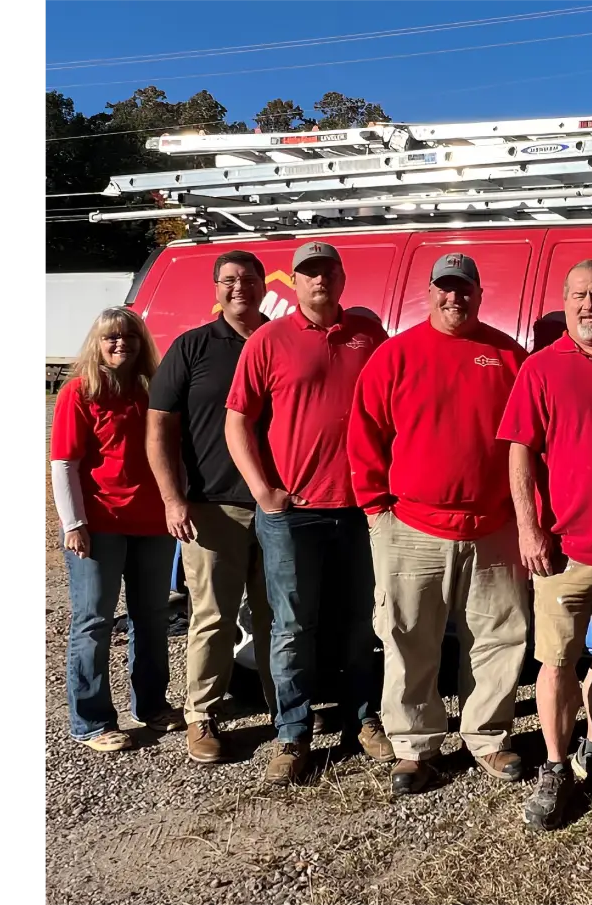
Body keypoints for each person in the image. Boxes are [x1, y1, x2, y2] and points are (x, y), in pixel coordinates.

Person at [349, 252, 532, 794]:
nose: (455, 298)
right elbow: (365, 433)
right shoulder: (395, 355)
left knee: (499, 638)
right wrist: (376, 508)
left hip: (493, 526)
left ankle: (489, 738)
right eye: (445, 289)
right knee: (409, 639)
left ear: (479, 293)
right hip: (411, 526)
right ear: (429, 293)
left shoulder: (505, 355)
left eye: (465, 288)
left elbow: (528, 439)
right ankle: (413, 746)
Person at [225, 241, 395, 782]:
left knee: (358, 623)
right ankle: (293, 735)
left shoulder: (370, 336)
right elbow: (237, 422)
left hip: (361, 509)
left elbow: (399, 409)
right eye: (308, 274)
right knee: (294, 626)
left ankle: (365, 721)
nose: (319, 281)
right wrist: (263, 490)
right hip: (293, 513)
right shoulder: (268, 341)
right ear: (293, 283)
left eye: (328, 272)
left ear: (343, 279)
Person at [497, 261, 592, 829]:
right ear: (564, 302)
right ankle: (557, 768)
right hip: (565, 549)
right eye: (580, 295)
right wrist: (528, 527)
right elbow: (518, 451)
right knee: (558, 661)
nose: (591, 306)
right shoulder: (541, 368)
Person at [147, 249, 280, 764]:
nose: (239, 288)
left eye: (248, 279)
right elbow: (158, 428)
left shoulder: (280, 341)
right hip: (212, 509)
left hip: (281, 506)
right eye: (229, 280)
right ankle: (202, 715)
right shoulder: (193, 347)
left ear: (264, 285)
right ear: (216, 289)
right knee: (213, 618)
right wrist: (171, 498)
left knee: (279, 618)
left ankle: (285, 710)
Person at [51, 306, 182, 752]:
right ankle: (91, 721)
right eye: (111, 337)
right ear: (97, 343)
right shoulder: (79, 393)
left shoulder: (153, 390)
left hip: (152, 525)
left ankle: (151, 704)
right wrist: (74, 524)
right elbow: (64, 463)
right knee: (93, 622)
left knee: (151, 619)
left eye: (129, 336)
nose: (120, 344)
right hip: (99, 526)